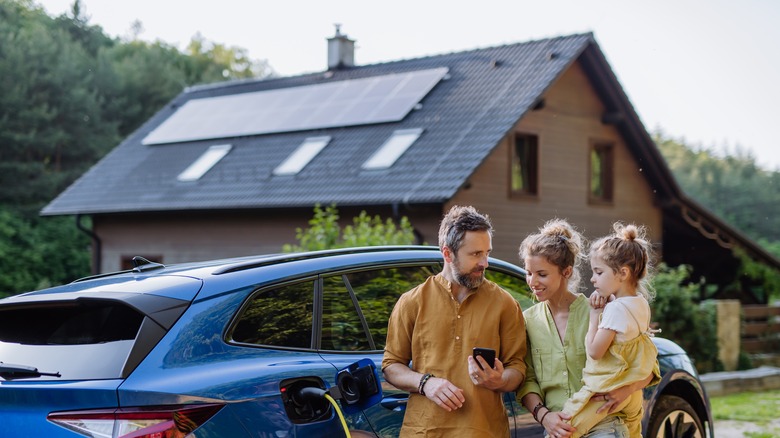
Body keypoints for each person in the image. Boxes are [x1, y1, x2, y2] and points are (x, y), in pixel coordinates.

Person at [382, 205, 527, 437]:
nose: (485, 263)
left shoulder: (505, 304)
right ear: (448, 254)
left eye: (487, 252)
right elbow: (391, 366)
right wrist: (426, 383)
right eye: (475, 254)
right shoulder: (412, 302)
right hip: (424, 431)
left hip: (484, 431)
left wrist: (499, 380)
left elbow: (518, 368)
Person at [517, 219, 659, 438]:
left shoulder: (604, 310)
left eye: (542, 274)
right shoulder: (527, 321)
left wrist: (625, 390)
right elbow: (528, 380)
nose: (532, 281)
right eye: (528, 273)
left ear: (566, 272)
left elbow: (647, 365)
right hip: (559, 429)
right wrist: (544, 416)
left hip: (605, 423)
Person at [560, 222, 659, 438]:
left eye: (598, 272)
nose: (592, 279)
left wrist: (595, 315)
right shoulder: (640, 303)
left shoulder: (615, 309)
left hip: (604, 392)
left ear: (622, 273)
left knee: (562, 431)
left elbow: (595, 351)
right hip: (630, 393)